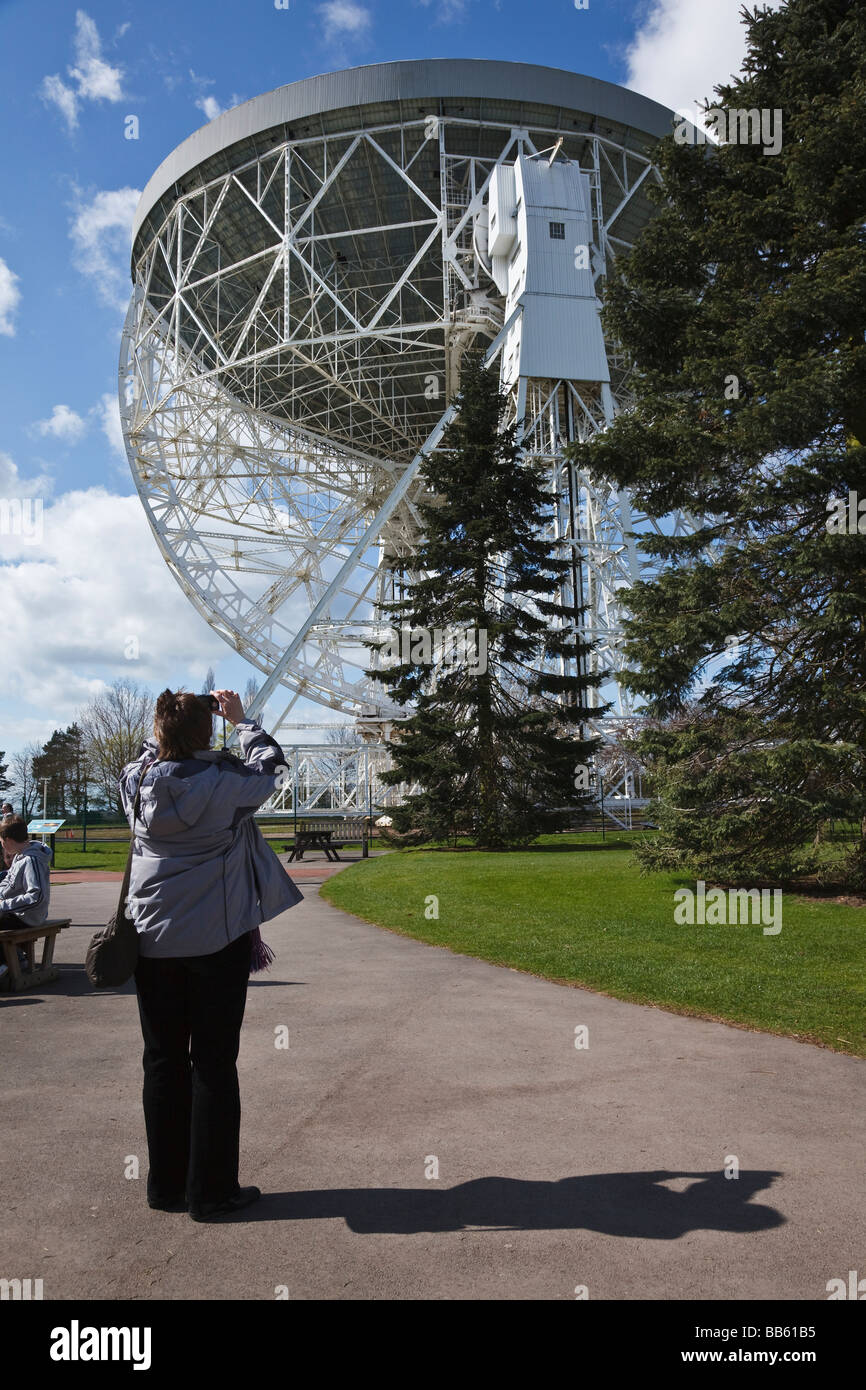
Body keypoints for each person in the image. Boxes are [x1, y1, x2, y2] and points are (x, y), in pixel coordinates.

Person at [118, 688, 303, 1222]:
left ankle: (166, 1187)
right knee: (214, 1066)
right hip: (216, 940)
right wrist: (240, 721)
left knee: (163, 1061)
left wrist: (167, 737)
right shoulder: (227, 783)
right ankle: (212, 1191)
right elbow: (271, 766)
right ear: (207, 733)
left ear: (159, 734)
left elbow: (144, 758)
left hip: (153, 944)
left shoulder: (137, 784)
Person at [0, 815, 53, 981]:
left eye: (1, 841)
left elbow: (36, 896)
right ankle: (13, 959)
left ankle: (5, 964)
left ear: (7, 840)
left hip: (27, 916)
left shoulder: (31, 860)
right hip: (17, 913)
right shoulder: (19, 856)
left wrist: (3, 906)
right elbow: (8, 884)